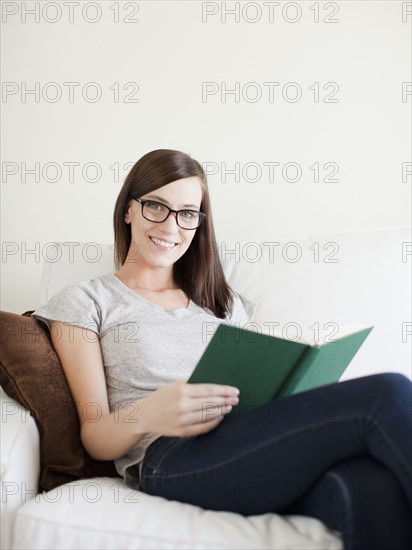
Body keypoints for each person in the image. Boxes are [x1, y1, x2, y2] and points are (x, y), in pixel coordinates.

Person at [33, 149, 412, 549]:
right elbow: (95, 436)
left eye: (187, 213)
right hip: (172, 457)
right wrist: (151, 412)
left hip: (250, 442)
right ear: (129, 210)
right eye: (156, 206)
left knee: (366, 485)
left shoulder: (223, 302)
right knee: (387, 392)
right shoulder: (87, 301)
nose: (171, 226)